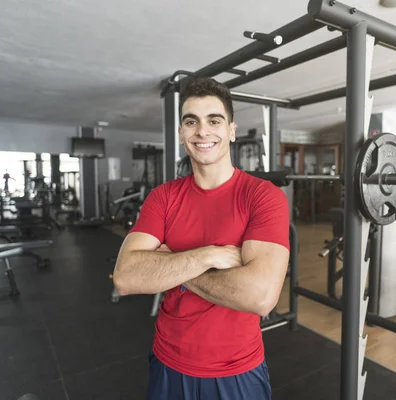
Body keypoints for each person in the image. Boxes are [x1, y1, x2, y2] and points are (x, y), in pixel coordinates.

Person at [113, 77, 290, 400]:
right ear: (182, 133)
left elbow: (261, 297)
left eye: (214, 120)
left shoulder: (263, 197)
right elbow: (125, 277)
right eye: (191, 121)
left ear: (232, 131)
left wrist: (171, 261)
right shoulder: (163, 198)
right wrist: (206, 255)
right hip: (168, 362)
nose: (202, 131)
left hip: (236, 371)